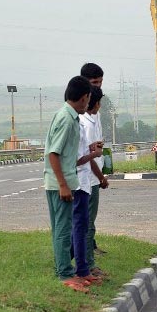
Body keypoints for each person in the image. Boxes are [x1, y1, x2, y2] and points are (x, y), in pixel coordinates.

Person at [44, 76, 91, 292]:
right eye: (89, 98)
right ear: (83, 98)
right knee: (63, 231)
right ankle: (65, 274)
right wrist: (63, 185)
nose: (88, 103)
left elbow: (68, 157)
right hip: (58, 184)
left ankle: (65, 270)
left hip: (64, 180)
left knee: (62, 229)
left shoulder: (71, 118)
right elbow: (53, 153)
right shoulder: (65, 118)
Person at [71, 90, 104, 286]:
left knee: (84, 224)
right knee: (84, 226)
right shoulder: (82, 123)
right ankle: (83, 266)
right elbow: (80, 158)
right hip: (84, 181)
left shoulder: (88, 121)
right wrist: (100, 174)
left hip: (87, 180)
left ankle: (82, 266)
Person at [80, 62, 108, 266]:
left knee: (88, 220)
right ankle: (86, 263)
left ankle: (89, 251)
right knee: (86, 222)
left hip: (93, 171)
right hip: (88, 176)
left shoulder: (94, 114)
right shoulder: (83, 118)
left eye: (100, 82)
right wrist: (100, 176)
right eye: (94, 83)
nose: (97, 86)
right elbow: (86, 154)